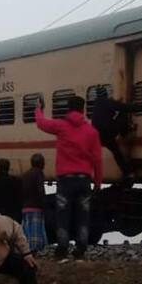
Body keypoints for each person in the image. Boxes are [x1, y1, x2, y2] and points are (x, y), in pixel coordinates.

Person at [35, 95, 103, 259]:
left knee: (63, 215)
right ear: (83, 110)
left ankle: (63, 249)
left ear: (68, 109)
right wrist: (98, 183)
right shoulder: (92, 132)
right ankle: (80, 249)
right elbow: (97, 159)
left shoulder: (61, 126)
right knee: (83, 215)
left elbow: (41, 123)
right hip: (84, 179)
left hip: (65, 180)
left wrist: (38, 109)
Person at [91, 86, 142, 178]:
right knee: (123, 112)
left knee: (116, 151)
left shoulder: (97, 105)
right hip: (108, 133)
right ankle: (125, 132)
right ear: (106, 94)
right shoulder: (107, 102)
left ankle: (127, 172)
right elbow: (124, 107)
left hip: (98, 135)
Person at [21, 153, 48, 254]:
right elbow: (40, 190)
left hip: (25, 207)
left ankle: (27, 250)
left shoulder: (25, 174)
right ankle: (34, 251)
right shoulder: (38, 173)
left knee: (27, 231)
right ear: (41, 163)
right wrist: (44, 204)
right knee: (36, 232)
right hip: (35, 207)